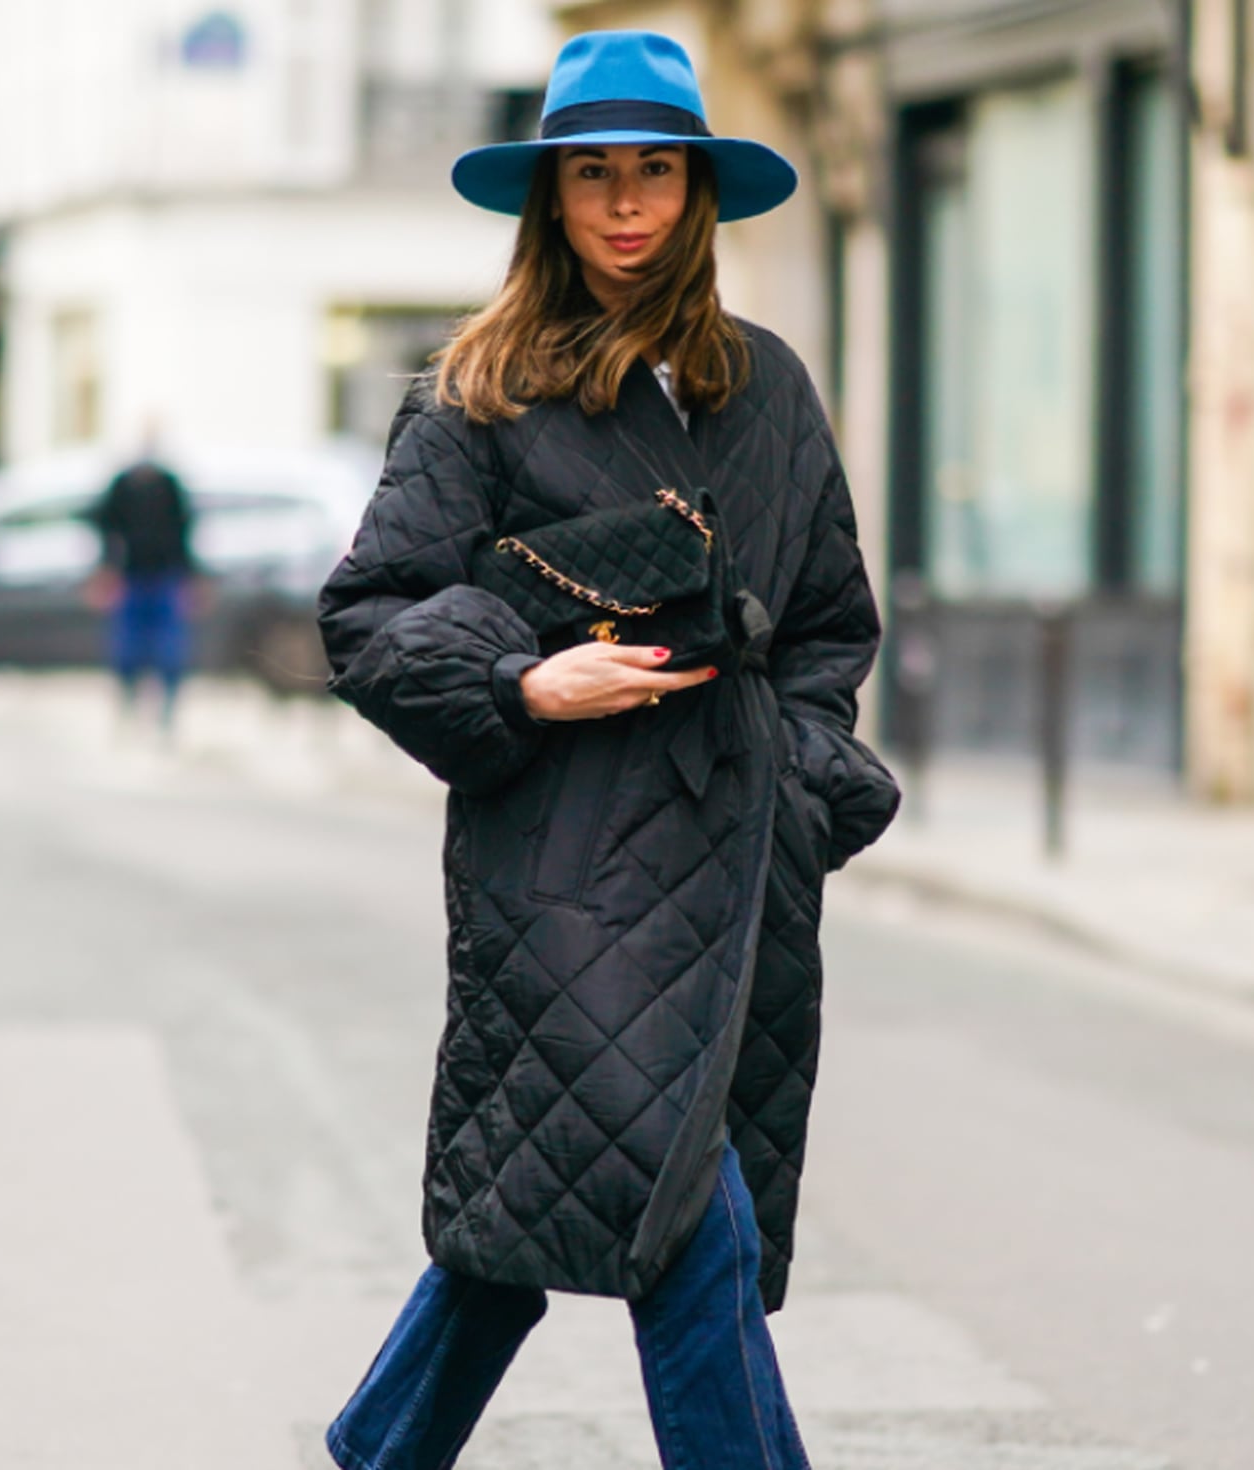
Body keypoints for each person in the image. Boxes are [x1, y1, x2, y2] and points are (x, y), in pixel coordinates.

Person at [316, 29, 901, 1470]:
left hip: (738, 865)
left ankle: (378, 1450)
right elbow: (369, 612)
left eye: (653, 172)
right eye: (593, 174)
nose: (625, 203)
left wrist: (806, 779)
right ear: (551, 197)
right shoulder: (478, 391)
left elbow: (830, 619)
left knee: (549, 1189)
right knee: (681, 1209)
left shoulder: (768, 387)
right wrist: (523, 683)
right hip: (560, 866)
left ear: (697, 195)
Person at [87, 431, 199, 728]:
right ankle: (129, 702)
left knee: (168, 648)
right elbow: (106, 530)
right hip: (132, 575)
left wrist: (191, 577)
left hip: (164, 575)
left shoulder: (169, 485)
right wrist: (107, 570)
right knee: (128, 647)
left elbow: (185, 533)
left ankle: (166, 709)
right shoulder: (123, 486)